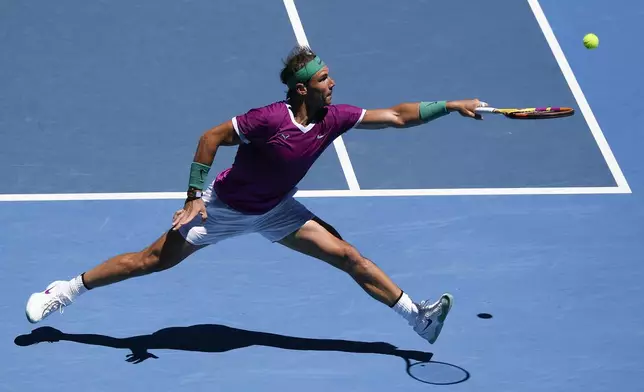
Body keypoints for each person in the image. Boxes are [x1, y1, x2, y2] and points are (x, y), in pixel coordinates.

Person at [25, 46, 484, 345]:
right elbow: (210, 137)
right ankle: (64, 291)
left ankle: (417, 318)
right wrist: (193, 198)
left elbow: (399, 117)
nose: (333, 83)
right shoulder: (268, 120)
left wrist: (449, 105)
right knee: (150, 261)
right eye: (325, 79)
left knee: (348, 255)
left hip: (276, 211)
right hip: (224, 209)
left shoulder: (335, 118)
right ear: (303, 88)